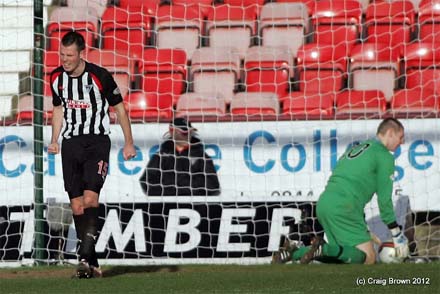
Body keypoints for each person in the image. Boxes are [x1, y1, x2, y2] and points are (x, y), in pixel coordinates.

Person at [47, 31, 136, 278]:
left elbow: (119, 108)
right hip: (70, 144)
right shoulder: (56, 78)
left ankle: (84, 259)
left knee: (90, 200)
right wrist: (54, 140)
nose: (65, 60)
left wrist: (129, 142)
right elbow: (58, 109)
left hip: (96, 142)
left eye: (70, 55)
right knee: (76, 206)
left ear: (81, 53)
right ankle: (93, 263)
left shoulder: (100, 76)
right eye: (62, 54)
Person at [272, 118, 409, 265]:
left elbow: (350, 183)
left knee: (341, 256)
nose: (402, 142)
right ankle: (323, 249)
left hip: (325, 204)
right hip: (345, 207)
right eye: (401, 137)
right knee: (368, 258)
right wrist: (396, 233)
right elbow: (384, 200)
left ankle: (292, 253)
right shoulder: (384, 156)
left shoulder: (356, 148)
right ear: (389, 133)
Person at [139, 118, 220, 196]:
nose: (187, 135)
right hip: (166, 205)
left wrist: (178, 185)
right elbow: (146, 182)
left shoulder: (201, 156)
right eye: (184, 133)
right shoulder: (160, 156)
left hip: (194, 205)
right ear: (171, 131)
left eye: (189, 132)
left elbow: (213, 185)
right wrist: (175, 189)